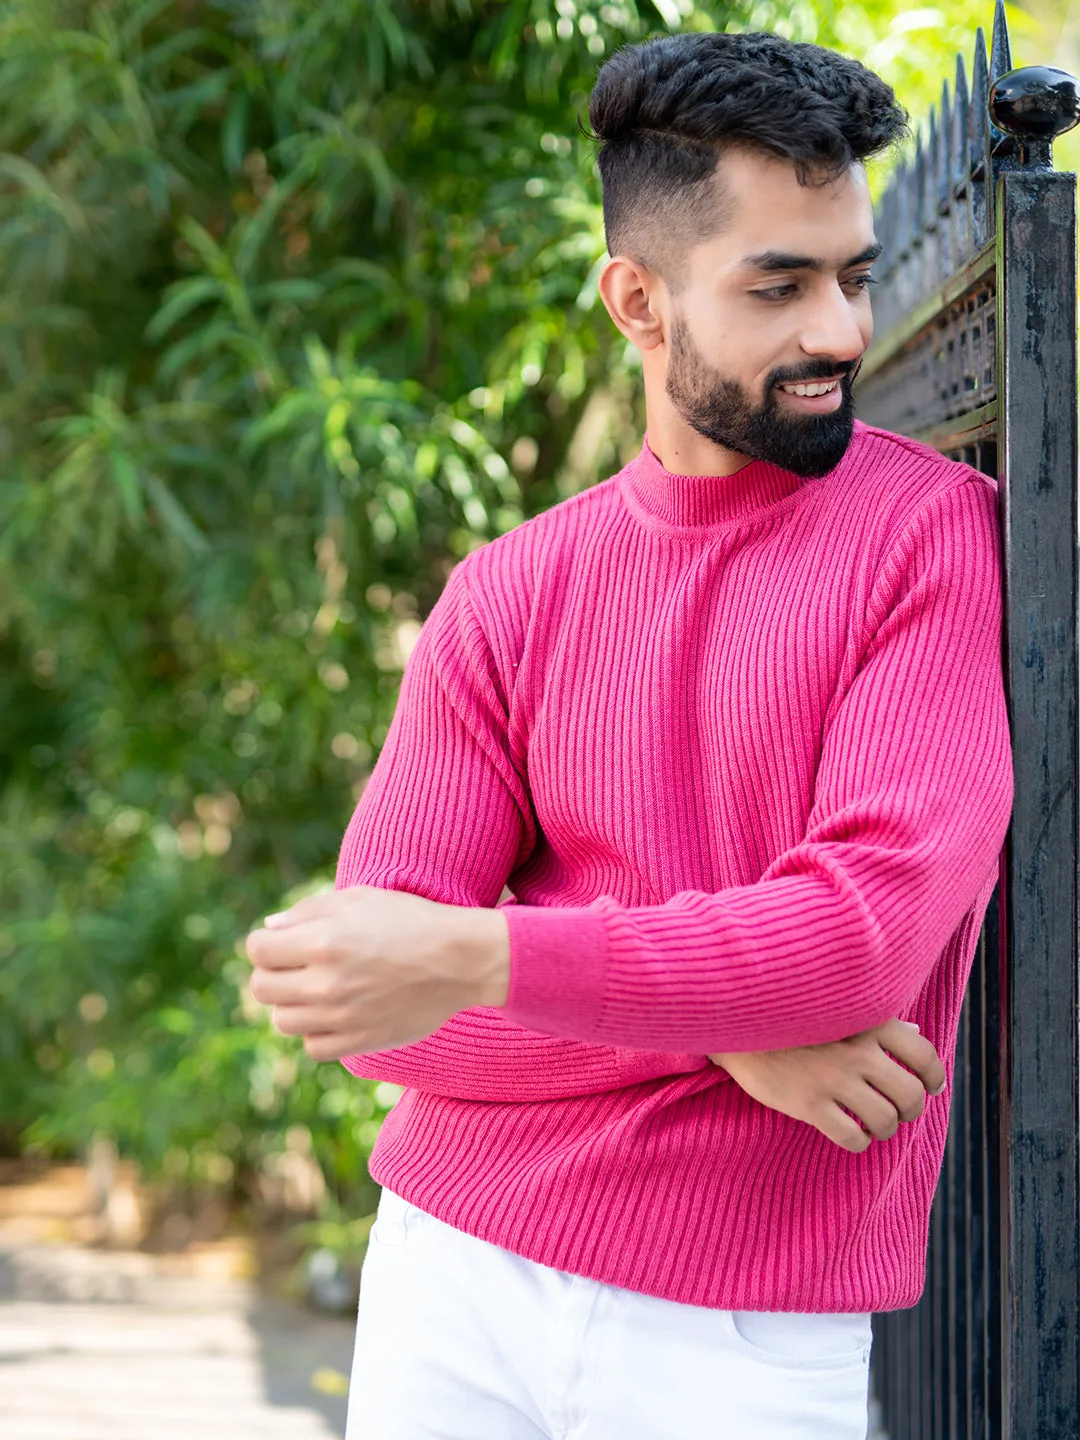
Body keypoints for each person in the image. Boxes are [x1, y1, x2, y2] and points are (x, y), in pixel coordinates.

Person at [245, 29, 1013, 1440]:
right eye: (777, 287)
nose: (838, 331)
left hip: (747, 1325)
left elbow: (859, 944)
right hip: (449, 1272)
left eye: (850, 276)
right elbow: (370, 1010)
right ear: (638, 302)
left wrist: (486, 955)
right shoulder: (509, 592)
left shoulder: (928, 537)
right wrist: (733, 1036)